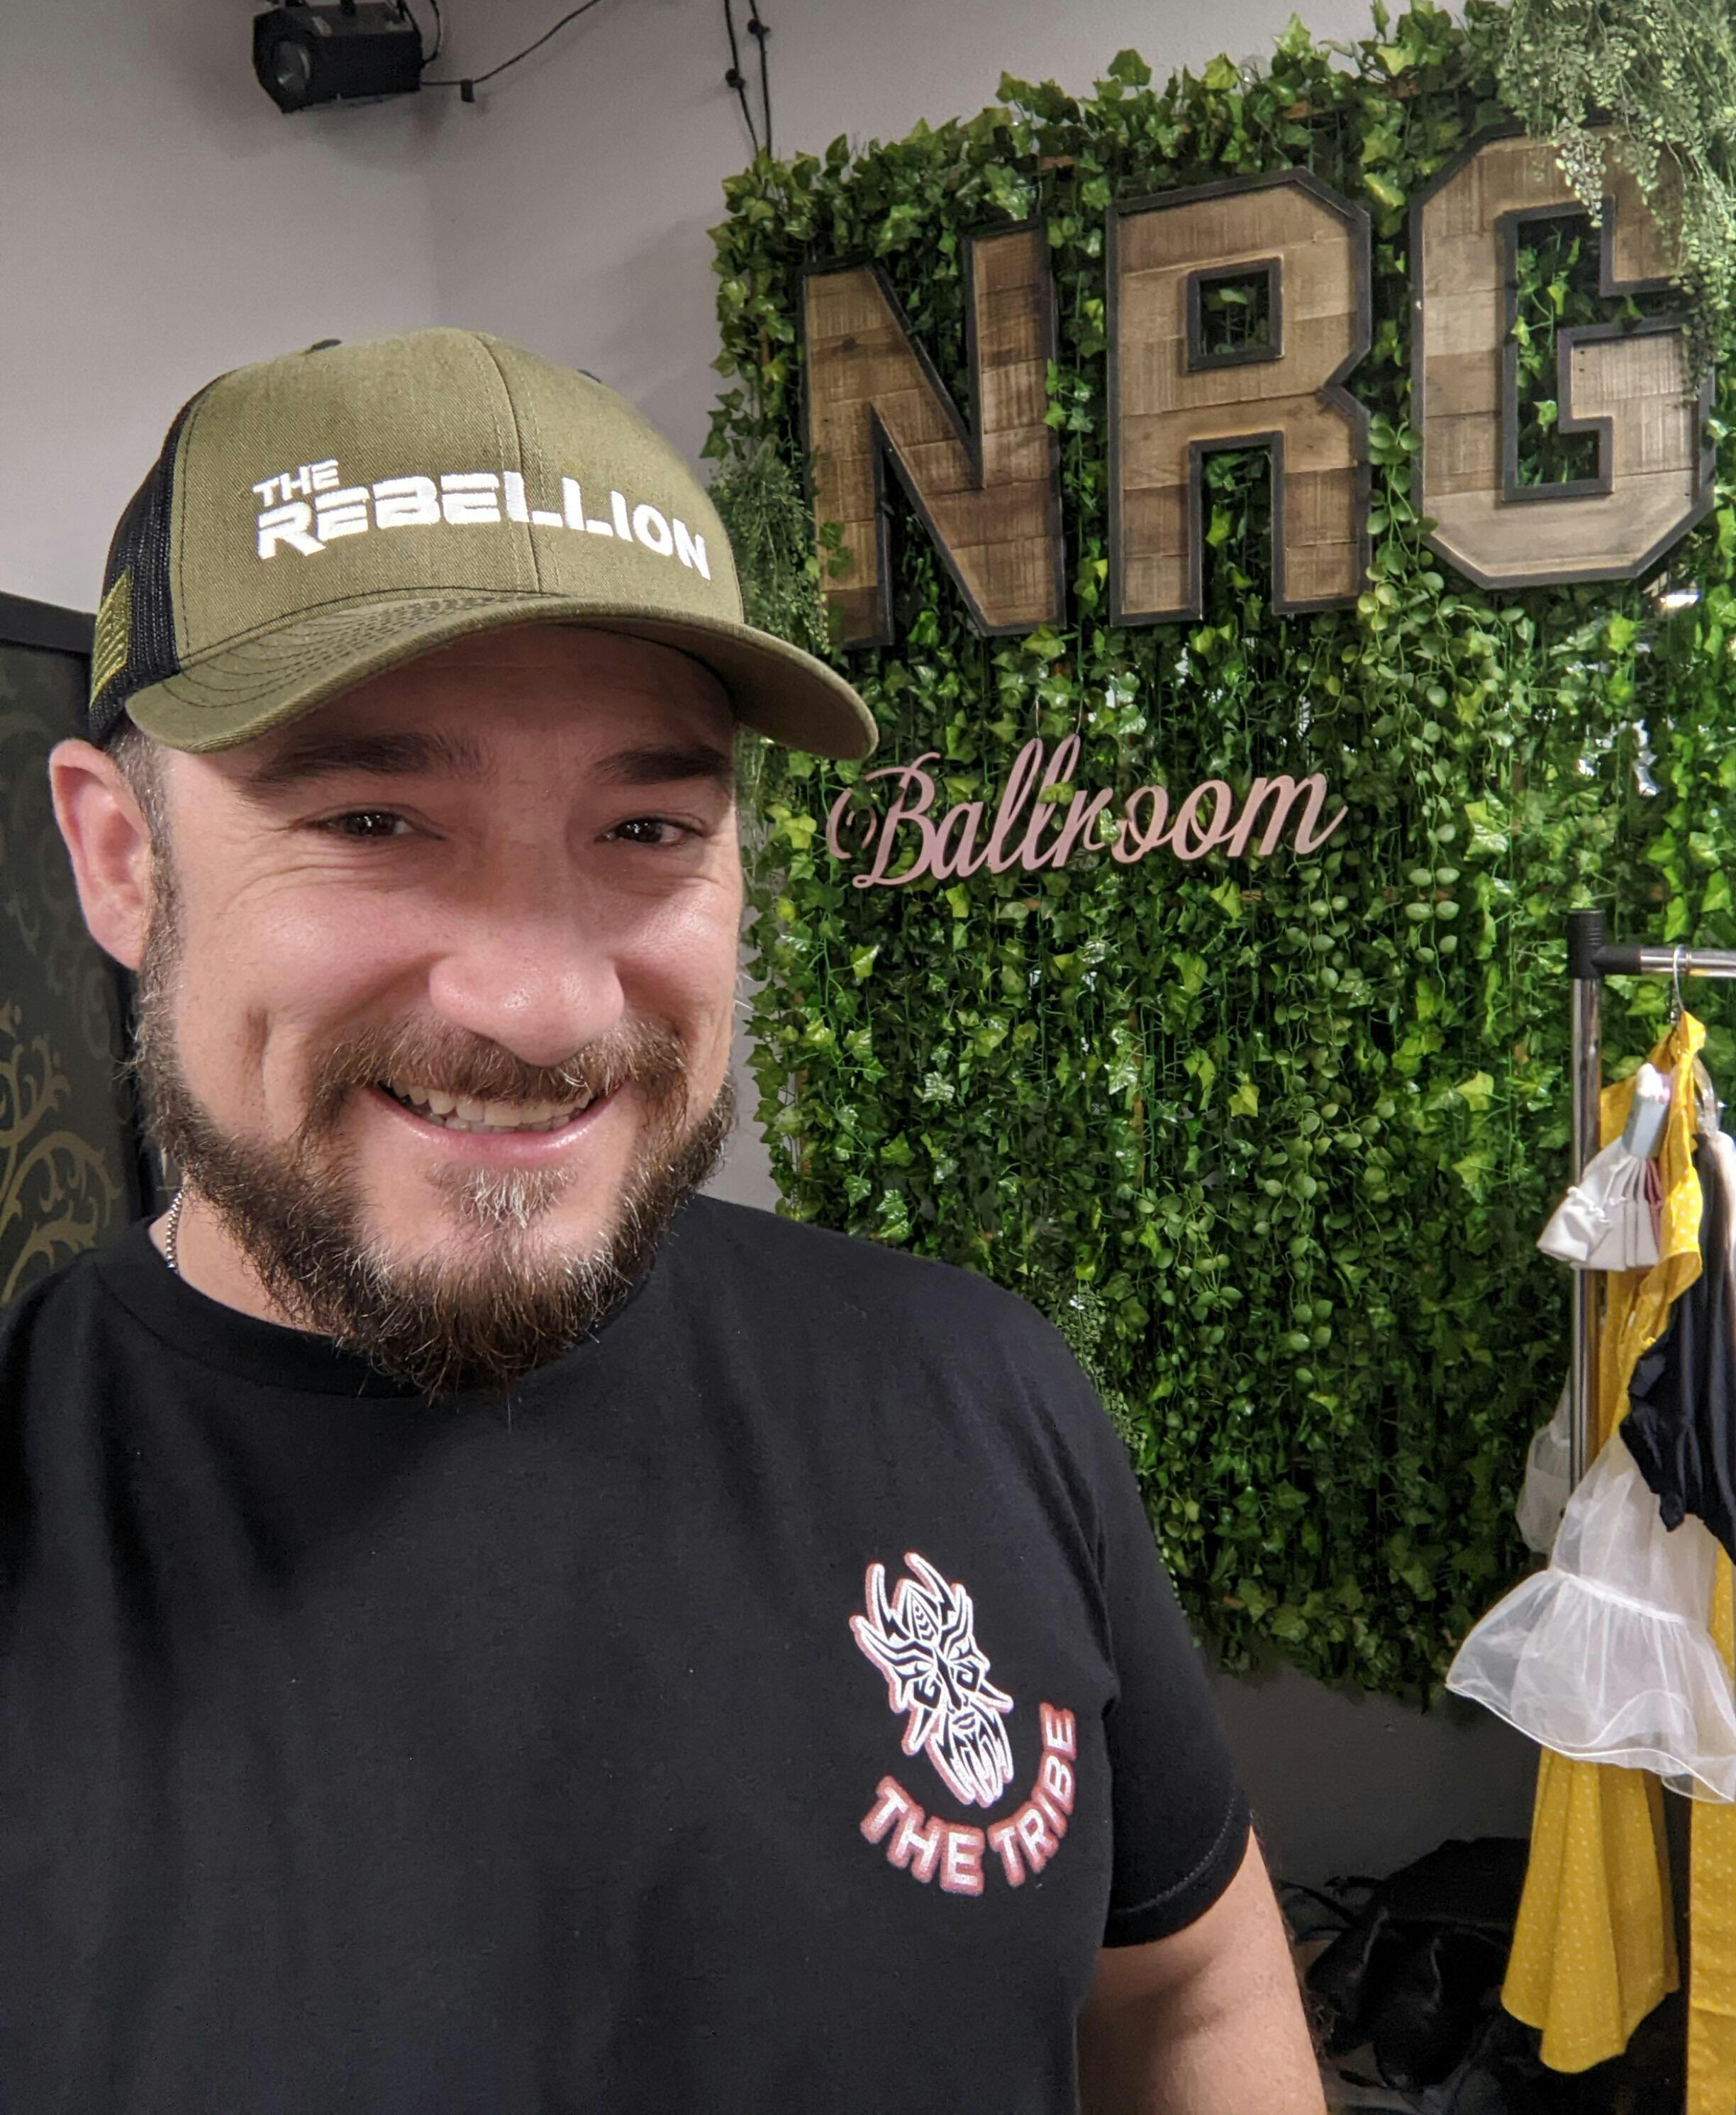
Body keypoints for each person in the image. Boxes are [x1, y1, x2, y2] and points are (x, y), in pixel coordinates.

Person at [6, 328, 1324, 2112]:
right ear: (121, 860)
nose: (545, 1006)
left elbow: (1188, 1994)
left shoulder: (973, 1386)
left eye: (645, 827)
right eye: (375, 818)